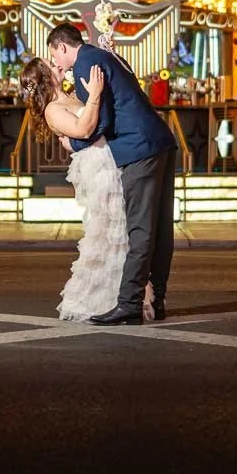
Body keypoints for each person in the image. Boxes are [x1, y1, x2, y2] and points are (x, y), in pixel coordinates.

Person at [45, 21, 176, 325]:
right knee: (160, 229)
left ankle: (129, 303)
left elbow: (98, 122)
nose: (57, 64)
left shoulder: (85, 66)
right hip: (160, 141)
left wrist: (73, 142)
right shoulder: (105, 56)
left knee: (140, 229)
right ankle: (158, 299)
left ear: (62, 47)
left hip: (138, 149)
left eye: (56, 56)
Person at [20, 58, 153, 323]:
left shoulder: (69, 96)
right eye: (51, 64)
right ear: (46, 77)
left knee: (123, 227)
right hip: (98, 168)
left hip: (109, 159)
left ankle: (126, 295)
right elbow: (83, 128)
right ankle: (106, 298)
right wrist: (94, 95)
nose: (57, 65)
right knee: (109, 228)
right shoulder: (52, 110)